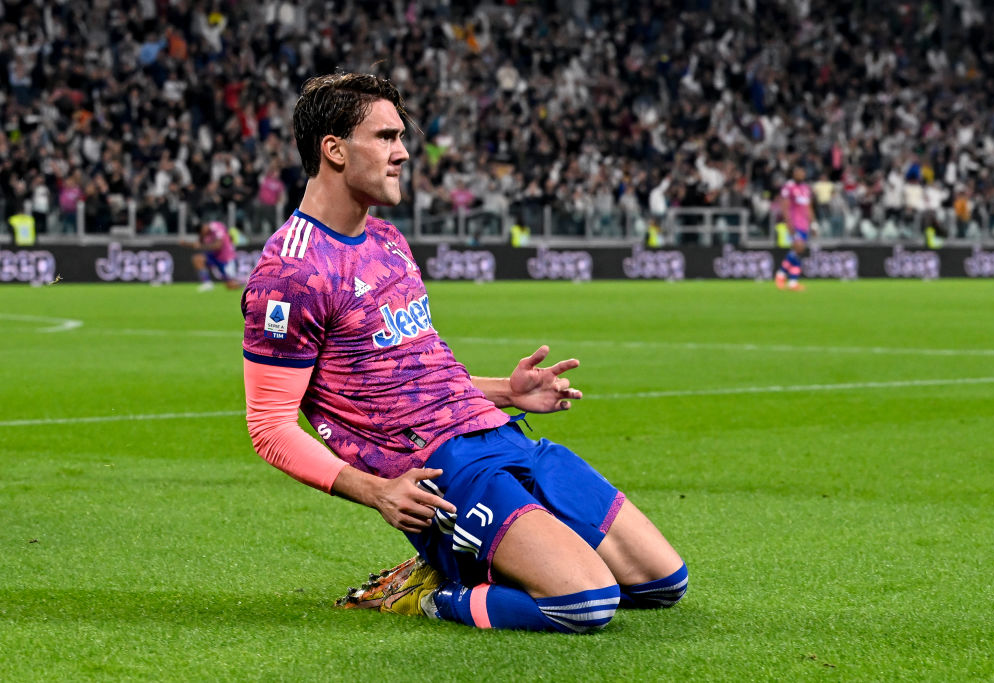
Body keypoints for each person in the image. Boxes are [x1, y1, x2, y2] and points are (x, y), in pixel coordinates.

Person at [241, 73, 687, 634]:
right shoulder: (291, 272)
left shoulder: (387, 241)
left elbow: (413, 371)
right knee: (585, 604)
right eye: (384, 137)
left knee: (662, 584)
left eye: (400, 137)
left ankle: (501, 561)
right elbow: (270, 427)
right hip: (444, 474)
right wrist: (376, 491)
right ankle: (427, 594)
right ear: (333, 149)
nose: (402, 152)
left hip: (503, 433)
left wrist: (507, 390)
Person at [774, 165, 816, 291]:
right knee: (799, 248)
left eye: (802, 172)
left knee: (797, 251)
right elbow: (785, 207)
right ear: (793, 174)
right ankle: (782, 275)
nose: (801, 174)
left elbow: (809, 208)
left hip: (804, 225)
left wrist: (813, 224)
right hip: (794, 223)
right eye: (798, 172)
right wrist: (788, 224)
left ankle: (790, 281)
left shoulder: (806, 188)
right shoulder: (789, 187)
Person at [184, 220, 242, 291]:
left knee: (230, 286)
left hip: (226, 258)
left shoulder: (216, 227)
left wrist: (202, 245)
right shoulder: (203, 234)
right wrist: (186, 244)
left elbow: (218, 246)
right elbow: (197, 244)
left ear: (204, 227)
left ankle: (244, 282)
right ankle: (207, 283)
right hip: (215, 257)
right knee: (197, 259)